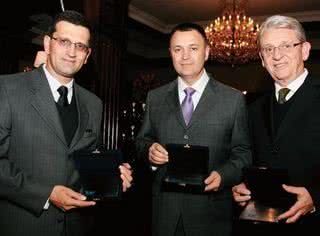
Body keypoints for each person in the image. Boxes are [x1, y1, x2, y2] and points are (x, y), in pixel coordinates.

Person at [0, 10, 132, 236]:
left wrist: (112, 173)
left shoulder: (94, 103)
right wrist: (46, 194)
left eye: (80, 46)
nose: (72, 52)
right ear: (48, 44)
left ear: (87, 55)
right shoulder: (7, 89)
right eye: (64, 42)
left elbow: (85, 159)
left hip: (78, 227)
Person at [135, 22, 252, 236]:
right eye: (178, 49)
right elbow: (142, 141)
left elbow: (243, 154)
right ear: (170, 53)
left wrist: (223, 176)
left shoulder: (232, 100)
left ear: (207, 52)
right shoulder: (155, 97)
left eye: (193, 48)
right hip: (165, 215)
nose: (185, 56)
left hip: (211, 215)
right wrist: (149, 151)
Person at [232, 15, 319, 235]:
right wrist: (241, 185)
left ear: (305, 50)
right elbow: (251, 159)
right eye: (268, 49)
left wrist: (316, 197)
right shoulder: (253, 108)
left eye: (286, 46)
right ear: (262, 58)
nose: (277, 55)